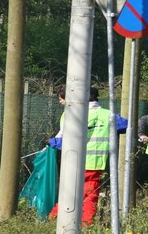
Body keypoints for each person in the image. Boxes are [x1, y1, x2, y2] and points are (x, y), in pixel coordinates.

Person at [49, 86, 126, 225]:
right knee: (90, 194)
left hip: (73, 161)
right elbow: (126, 125)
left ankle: (55, 217)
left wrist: (52, 142)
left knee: (70, 192)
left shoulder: (70, 114)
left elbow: (64, 140)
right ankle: (86, 222)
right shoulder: (108, 115)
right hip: (95, 162)